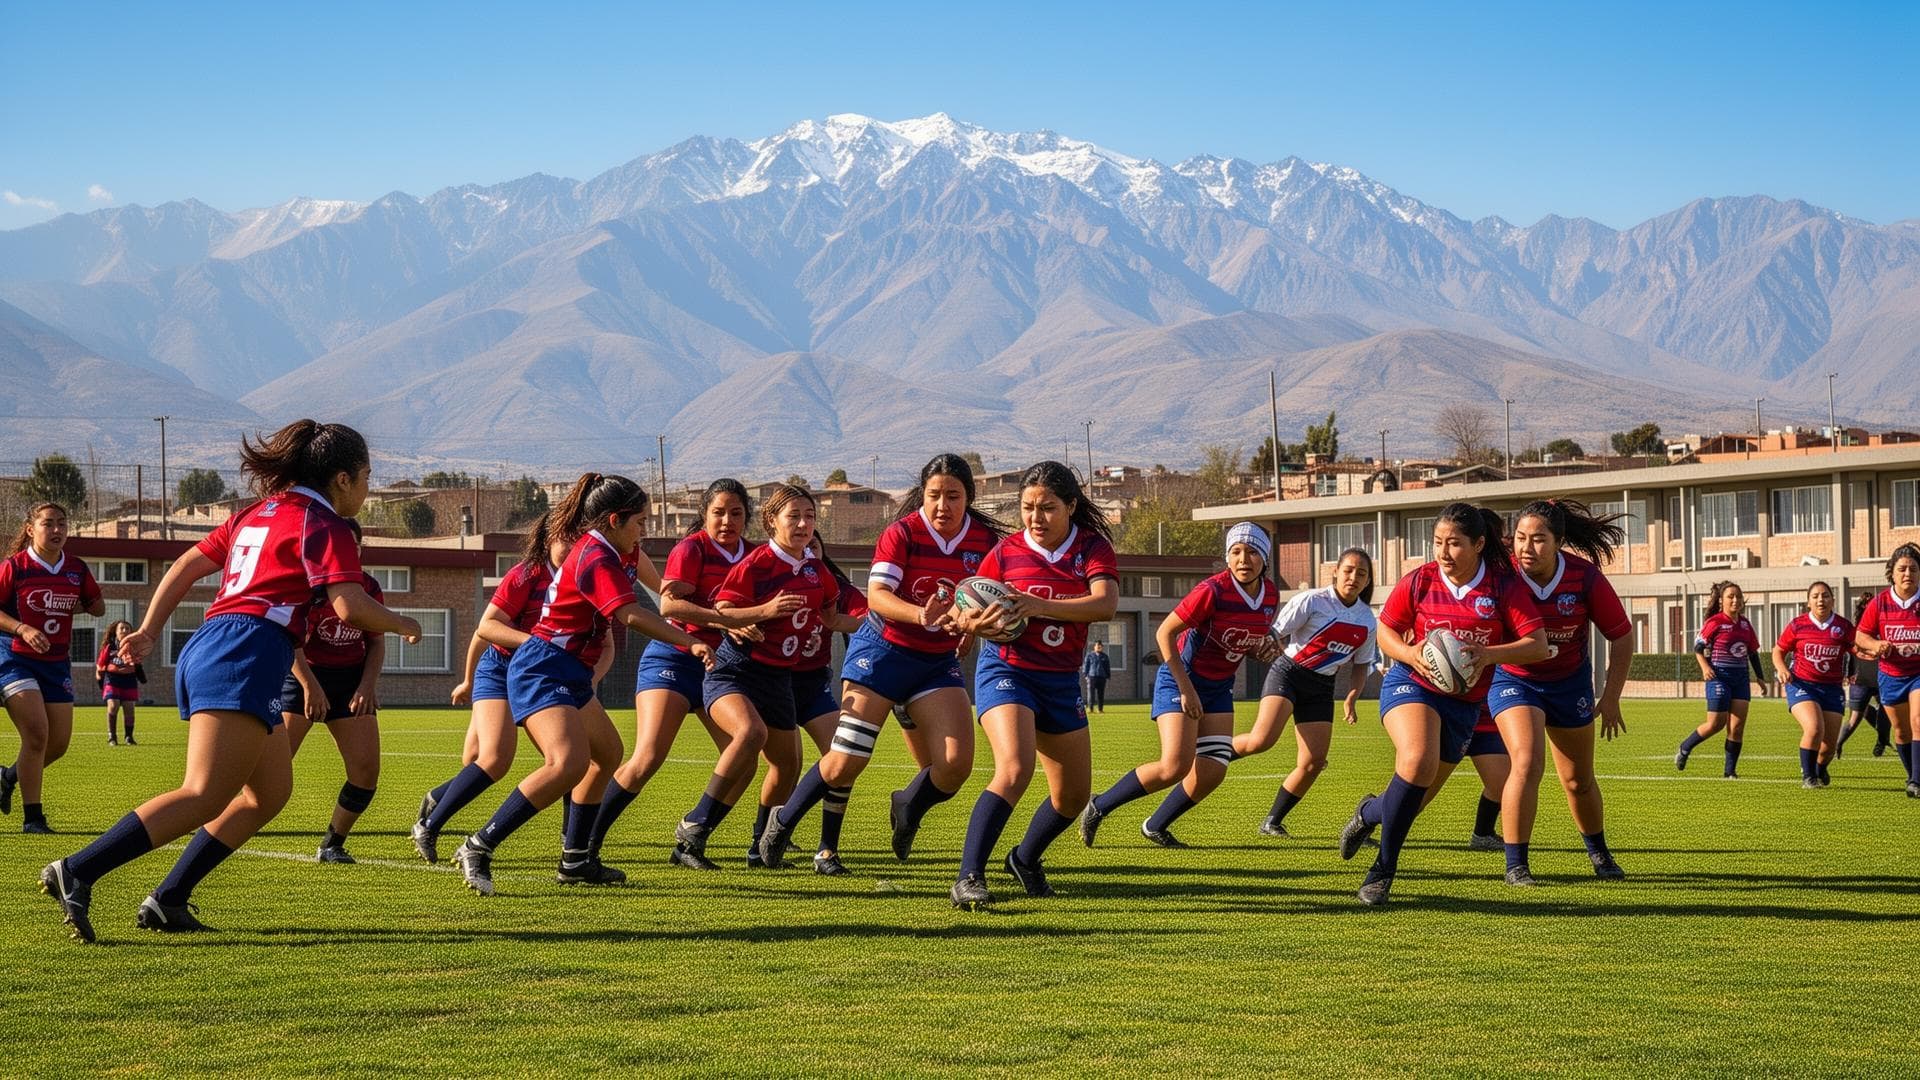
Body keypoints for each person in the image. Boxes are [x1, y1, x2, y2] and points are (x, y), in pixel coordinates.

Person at [40, 420, 422, 942]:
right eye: (367, 476)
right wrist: (402, 622)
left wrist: (152, 629)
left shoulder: (256, 513)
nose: (368, 487)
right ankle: (79, 870)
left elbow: (186, 566)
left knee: (268, 792)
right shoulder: (324, 524)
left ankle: (169, 898)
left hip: (224, 642)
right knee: (204, 792)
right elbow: (348, 606)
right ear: (341, 479)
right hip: (245, 650)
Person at [453, 473, 713, 896]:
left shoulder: (622, 549)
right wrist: (690, 639)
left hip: (568, 668)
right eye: (641, 522)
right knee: (566, 763)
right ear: (614, 519)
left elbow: (659, 590)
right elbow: (629, 615)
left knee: (607, 752)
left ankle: (575, 860)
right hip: (543, 666)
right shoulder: (595, 555)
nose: (645, 530)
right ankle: (479, 846)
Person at [755, 453, 1001, 874]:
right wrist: (920, 614)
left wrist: (971, 627)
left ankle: (908, 805)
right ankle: (782, 820)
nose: (942, 506)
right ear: (922, 496)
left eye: (953, 496)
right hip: (881, 653)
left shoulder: (984, 542)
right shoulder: (901, 533)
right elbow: (879, 599)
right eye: (934, 496)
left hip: (934, 662)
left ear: (969, 497)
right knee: (847, 758)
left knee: (956, 766)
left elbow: (985, 598)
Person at [1336, 502, 1549, 906]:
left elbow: (1537, 646)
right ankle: (1381, 873)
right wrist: (1412, 654)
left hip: (1464, 705)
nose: (1444, 553)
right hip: (1410, 683)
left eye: (1454, 544)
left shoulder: (1503, 587)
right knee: (1416, 761)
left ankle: (1368, 812)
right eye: (1437, 543)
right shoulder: (1420, 580)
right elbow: (1386, 633)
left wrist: (1488, 655)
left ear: (1479, 544)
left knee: (1412, 799)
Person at [587, 479, 798, 870]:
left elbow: (762, 609)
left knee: (746, 755)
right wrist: (729, 621)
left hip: (719, 668)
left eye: (736, 513)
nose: (727, 520)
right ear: (704, 514)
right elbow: (669, 606)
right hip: (674, 658)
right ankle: (584, 845)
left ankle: (691, 842)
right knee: (648, 757)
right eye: (719, 512)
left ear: (748, 518)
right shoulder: (693, 548)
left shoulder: (755, 555)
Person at [948, 461, 1118, 910]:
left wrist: (1037, 604)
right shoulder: (1005, 554)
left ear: (1071, 507)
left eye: (1047, 508)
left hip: (1060, 679)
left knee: (1073, 795)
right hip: (1008, 670)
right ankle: (969, 877)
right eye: (1027, 508)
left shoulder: (1091, 549)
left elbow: (1105, 604)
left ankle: (1024, 859)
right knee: (1015, 767)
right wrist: (968, 620)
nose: (1035, 518)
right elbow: (964, 605)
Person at [676, 484, 856, 872]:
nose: (804, 524)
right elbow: (723, 607)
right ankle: (695, 825)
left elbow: (830, 618)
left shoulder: (814, 568)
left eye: (810, 516)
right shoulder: (756, 563)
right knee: (750, 734)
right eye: (794, 516)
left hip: (779, 679)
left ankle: (760, 848)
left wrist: (882, 623)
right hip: (735, 671)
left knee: (787, 765)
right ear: (771, 521)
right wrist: (762, 611)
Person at [1078, 522, 1276, 848]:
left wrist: (1261, 648)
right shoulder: (1212, 590)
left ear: (1264, 559)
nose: (1244, 559)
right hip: (1180, 678)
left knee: (1213, 770)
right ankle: (1099, 806)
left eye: (1253, 552)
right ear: (1227, 557)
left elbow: (1243, 641)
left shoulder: (1270, 595)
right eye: (1236, 551)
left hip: (1217, 686)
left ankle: (1156, 825)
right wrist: (1186, 689)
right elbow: (1164, 634)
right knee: (1175, 765)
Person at [411, 515, 587, 861]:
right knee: (493, 759)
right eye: (565, 539)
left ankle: (574, 845)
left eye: (578, 539)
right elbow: (484, 630)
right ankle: (429, 826)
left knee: (578, 753)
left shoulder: (583, 579)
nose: (571, 548)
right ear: (547, 539)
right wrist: (468, 679)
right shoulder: (526, 574)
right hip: (501, 670)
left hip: (545, 674)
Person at [1486, 498, 1633, 883]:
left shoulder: (1584, 577)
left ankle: (1599, 854)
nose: (1526, 548)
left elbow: (1621, 636)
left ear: (1558, 542)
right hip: (1515, 680)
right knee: (1527, 761)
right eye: (1519, 538)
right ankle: (1516, 865)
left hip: (1570, 685)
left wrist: (1611, 696)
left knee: (1577, 780)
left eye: (1538, 539)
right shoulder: (1502, 574)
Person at [1237, 548, 1379, 838]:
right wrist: (1263, 647)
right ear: (1336, 571)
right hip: (1289, 673)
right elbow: (1275, 632)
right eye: (1349, 570)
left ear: (1367, 581)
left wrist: (1352, 696)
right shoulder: (1312, 600)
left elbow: (1361, 665)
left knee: (1313, 763)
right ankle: (1208, 755)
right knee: (1261, 740)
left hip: (1322, 686)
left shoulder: (1367, 620)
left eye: (1361, 573)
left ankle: (1272, 822)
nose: (1353, 577)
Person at [748, 536, 867, 873]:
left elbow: (868, 615)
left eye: (814, 545)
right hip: (774, 681)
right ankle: (761, 842)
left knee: (844, 757)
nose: (808, 551)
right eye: (800, 545)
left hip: (813, 684)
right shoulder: (771, 576)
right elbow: (734, 609)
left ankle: (827, 850)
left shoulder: (835, 587)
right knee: (784, 766)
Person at [280, 519, 385, 863]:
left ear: (358, 548)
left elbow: (376, 642)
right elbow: (290, 642)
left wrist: (367, 686)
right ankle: (218, 822)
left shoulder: (368, 587)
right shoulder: (308, 587)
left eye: (353, 546)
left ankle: (332, 843)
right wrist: (310, 687)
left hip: (350, 680)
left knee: (366, 771)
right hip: (303, 676)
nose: (348, 551)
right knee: (271, 768)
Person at [0, 502, 104, 834]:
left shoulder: (76, 568)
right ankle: (33, 819)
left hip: (56, 662)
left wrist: (80, 604)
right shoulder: (15, 567)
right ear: (31, 529)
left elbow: (98, 607)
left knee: (57, 744)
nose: (57, 529)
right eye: (48, 523)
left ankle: (7, 777)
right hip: (14, 657)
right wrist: (22, 628)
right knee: (37, 734)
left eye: (62, 523)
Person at [1675, 582, 1770, 778]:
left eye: (1738, 596)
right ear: (1721, 600)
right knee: (1716, 724)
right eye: (1730, 596)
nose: (1735, 600)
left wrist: (1760, 678)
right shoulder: (1715, 622)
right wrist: (1705, 667)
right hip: (1719, 678)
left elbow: (1752, 652)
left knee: (1736, 727)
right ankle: (1685, 747)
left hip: (1741, 680)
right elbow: (1698, 648)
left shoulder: (1745, 625)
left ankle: (1730, 772)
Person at [1772, 581, 1855, 789]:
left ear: (1832, 600)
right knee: (1814, 728)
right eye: (1816, 596)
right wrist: (1782, 668)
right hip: (1802, 684)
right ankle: (1808, 778)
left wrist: (1874, 651)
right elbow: (1778, 650)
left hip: (1832, 688)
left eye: (1825, 595)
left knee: (1828, 747)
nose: (1821, 600)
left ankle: (1819, 768)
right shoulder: (1797, 625)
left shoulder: (1843, 626)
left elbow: (1858, 648)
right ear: (1808, 602)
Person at [1853, 543, 1920, 798]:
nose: (1908, 574)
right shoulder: (1880, 602)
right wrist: (1877, 645)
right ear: (1891, 572)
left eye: (1913, 569)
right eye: (1902, 569)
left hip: (1917, 674)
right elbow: (1861, 635)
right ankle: (1913, 775)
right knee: (1901, 730)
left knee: (1918, 721)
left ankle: (1916, 781)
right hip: (1891, 675)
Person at [1837, 594, 1890, 757]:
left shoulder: (1884, 627)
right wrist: (1847, 674)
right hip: (1861, 679)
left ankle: (1881, 741)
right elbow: (1848, 653)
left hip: (1882, 676)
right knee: (1856, 717)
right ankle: (1838, 744)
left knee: (1885, 711)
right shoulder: (1857, 631)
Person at [95, 620, 146, 746]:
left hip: (129, 680)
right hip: (112, 679)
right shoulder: (109, 647)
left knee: (129, 708)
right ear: (115, 632)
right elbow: (101, 665)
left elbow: (138, 664)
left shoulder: (133, 648)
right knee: (113, 705)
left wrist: (141, 675)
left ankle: (129, 737)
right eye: (121, 628)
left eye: (127, 628)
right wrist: (100, 680)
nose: (124, 630)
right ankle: (112, 737)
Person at [1082, 642, 1111, 714]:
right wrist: (1086, 675)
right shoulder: (1089, 656)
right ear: (1094, 647)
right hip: (1092, 677)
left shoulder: (1105, 656)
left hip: (1102, 677)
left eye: (1100, 646)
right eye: (1097, 646)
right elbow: (1086, 666)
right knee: (1091, 694)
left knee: (1101, 694)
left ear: (1102, 648)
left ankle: (1100, 709)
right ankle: (1091, 709)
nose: (1099, 647)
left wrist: (1108, 675)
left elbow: (1107, 667)